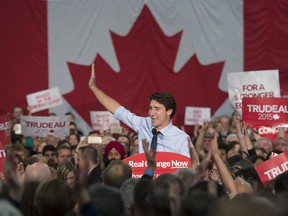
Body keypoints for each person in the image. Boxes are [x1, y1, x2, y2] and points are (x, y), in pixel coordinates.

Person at [89, 63, 190, 157]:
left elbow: (190, 169)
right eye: (150, 108)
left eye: (157, 109)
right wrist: (93, 88)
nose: (151, 113)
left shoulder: (182, 139)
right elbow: (117, 110)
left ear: (169, 111)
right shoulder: (143, 124)